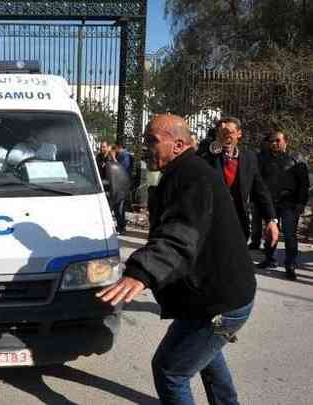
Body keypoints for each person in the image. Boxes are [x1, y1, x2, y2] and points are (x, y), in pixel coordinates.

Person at [98, 114, 256, 405]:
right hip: (210, 300)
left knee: (170, 371)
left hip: (220, 305)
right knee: (208, 356)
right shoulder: (183, 173)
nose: (145, 147)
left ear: (179, 144)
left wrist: (141, 271)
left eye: (152, 141)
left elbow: (179, 235)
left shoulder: (193, 177)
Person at [201, 117, 278, 246]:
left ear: (239, 134)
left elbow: (260, 190)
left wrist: (271, 219)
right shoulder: (209, 155)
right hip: (211, 222)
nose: (226, 136)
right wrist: (216, 141)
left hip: (238, 221)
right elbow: (200, 157)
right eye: (222, 133)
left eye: (230, 132)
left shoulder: (249, 158)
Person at [258, 130, 310, 279]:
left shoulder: (296, 159)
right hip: (270, 203)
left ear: (285, 142)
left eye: (278, 141)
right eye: (272, 141)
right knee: (269, 233)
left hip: (290, 203)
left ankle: (290, 264)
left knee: (289, 235)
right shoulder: (265, 159)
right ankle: (269, 259)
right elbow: (259, 181)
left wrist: (301, 203)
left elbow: (304, 184)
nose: (274, 144)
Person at [102, 146, 130, 234]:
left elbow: (110, 180)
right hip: (119, 190)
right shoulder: (116, 166)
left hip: (116, 190)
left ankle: (121, 227)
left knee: (118, 211)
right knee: (118, 211)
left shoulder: (112, 166)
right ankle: (121, 227)